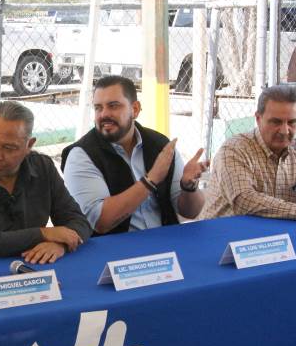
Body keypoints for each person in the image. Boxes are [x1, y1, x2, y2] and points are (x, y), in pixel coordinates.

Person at [0, 101, 92, 264]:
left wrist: (60, 243)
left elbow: (80, 222)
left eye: (9, 148)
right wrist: (43, 234)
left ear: (29, 145)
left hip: (30, 266)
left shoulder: (43, 168)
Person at [62, 75, 207, 235]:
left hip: (165, 246)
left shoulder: (159, 144)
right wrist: (150, 180)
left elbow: (190, 212)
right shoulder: (81, 155)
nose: (103, 114)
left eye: (113, 106)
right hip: (112, 251)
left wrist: (188, 186)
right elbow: (100, 222)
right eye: (98, 108)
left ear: (135, 109)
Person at [200, 85, 296, 223]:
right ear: (258, 118)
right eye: (276, 122)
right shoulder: (234, 150)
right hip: (224, 237)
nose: (285, 131)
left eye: (292, 122)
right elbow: (244, 201)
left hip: (278, 239)